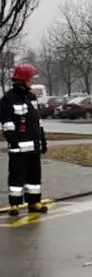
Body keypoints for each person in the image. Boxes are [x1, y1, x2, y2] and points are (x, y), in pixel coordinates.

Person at [1, 63, 48, 216]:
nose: (32, 81)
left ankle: (34, 202)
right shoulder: (8, 99)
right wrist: (13, 141)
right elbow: (7, 123)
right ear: (23, 80)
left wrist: (42, 139)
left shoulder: (32, 97)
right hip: (19, 146)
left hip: (33, 145)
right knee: (17, 176)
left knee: (34, 176)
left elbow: (37, 121)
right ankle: (14, 204)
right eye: (30, 78)